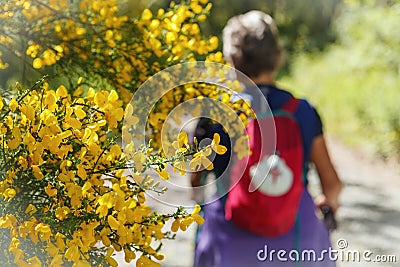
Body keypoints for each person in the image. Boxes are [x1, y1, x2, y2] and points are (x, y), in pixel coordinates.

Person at [190, 10, 343, 267]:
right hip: (294, 242)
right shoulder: (302, 111)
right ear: (277, 58)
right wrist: (328, 204)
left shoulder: (216, 111)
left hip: (230, 240)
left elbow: (195, 181)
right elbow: (333, 186)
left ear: (230, 60)